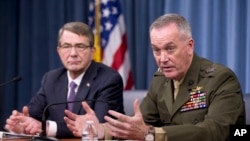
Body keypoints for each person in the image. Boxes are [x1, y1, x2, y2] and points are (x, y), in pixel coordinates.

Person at [63, 13, 246, 141]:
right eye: (156, 50)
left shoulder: (221, 79)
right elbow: (139, 126)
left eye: (170, 48)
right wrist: (100, 129)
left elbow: (214, 133)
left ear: (190, 46)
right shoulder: (161, 79)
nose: (162, 58)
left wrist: (150, 135)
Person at [4, 22, 124, 138]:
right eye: (66, 46)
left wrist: (47, 127)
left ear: (92, 51)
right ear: (59, 50)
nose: (73, 53)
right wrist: (21, 125)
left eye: (80, 46)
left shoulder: (109, 79)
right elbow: (33, 116)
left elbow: (99, 127)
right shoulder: (51, 79)